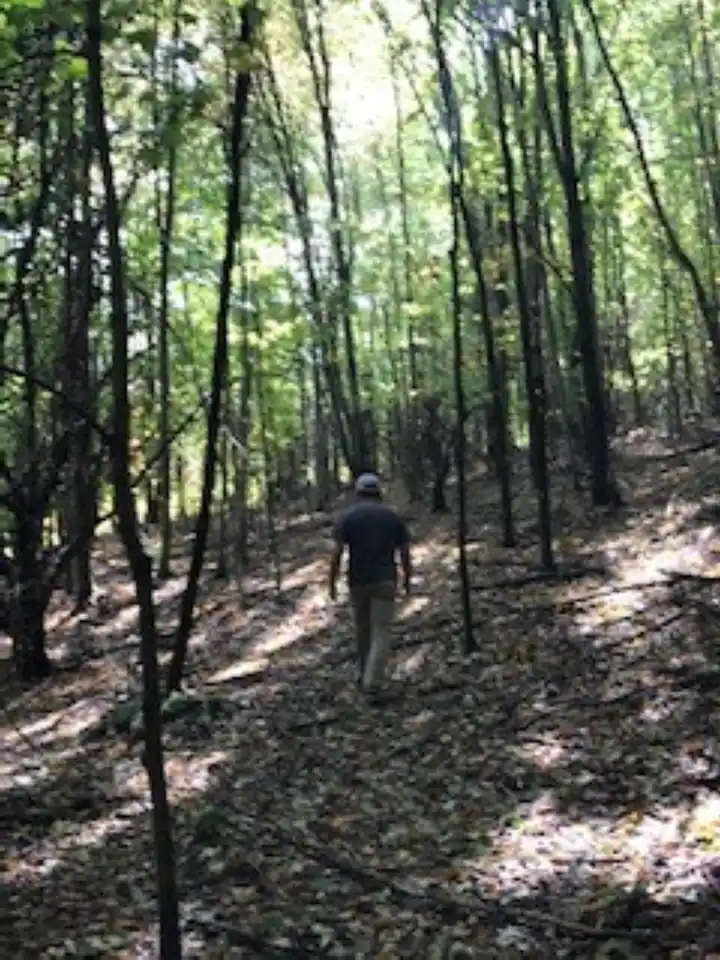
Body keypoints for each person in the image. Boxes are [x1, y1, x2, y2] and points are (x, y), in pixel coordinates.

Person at [328, 472, 412, 693]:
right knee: (381, 630)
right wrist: (407, 579)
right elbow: (404, 552)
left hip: (358, 581)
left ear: (358, 493)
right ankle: (372, 681)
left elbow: (337, 553)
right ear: (378, 492)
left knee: (363, 631)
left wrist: (332, 582)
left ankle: (366, 676)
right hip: (386, 579)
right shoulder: (392, 517)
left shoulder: (348, 517)